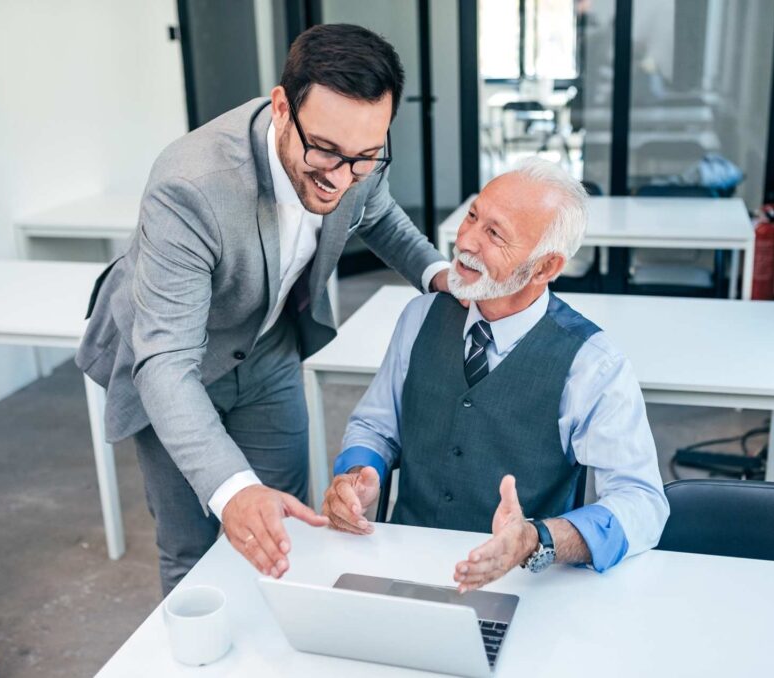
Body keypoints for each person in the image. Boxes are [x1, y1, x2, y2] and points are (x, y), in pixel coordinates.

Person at [75, 24, 453, 595]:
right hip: (176, 364)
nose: (340, 177)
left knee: (285, 535)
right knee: (193, 548)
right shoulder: (190, 184)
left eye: (364, 158)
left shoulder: (355, 153)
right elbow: (166, 363)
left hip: (268, 346)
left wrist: (438, 275)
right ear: (282, 107)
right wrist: (231, 489)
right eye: (324, 151)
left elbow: (376, 213)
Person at [322, 158, 669, 592]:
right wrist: (360, 471)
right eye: (473, 215)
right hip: (403, 566)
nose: (465, 241)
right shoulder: (419, 317)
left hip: (522, 587)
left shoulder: (593, 365)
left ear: (544, 268)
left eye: (494, 234)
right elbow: (375, 426)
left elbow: (643, 504)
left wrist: (539, 540)